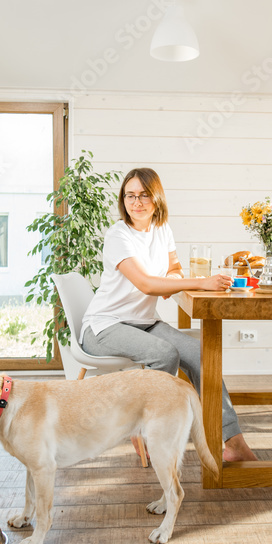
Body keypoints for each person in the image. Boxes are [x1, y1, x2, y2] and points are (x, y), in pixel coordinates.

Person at [80, 167, 258, 462]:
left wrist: (173, 283)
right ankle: (148, 430)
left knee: (201, 354)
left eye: (143, 195)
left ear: (157, 198)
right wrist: (200, 282)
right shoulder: (117, 236)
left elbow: (173, 270)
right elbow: (147, 284)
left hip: (144, 323)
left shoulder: (162, 230)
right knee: (165, 354)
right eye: (130, 196)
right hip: (105, 326)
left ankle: (234, 443)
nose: (136, 202)